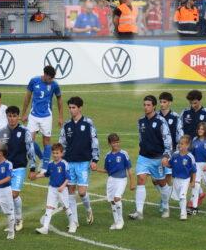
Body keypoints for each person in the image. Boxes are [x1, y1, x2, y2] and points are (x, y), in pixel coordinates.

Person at [129, 95, 173, 221]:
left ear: (154, 106)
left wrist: (166, 156)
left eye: (148, 105)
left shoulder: (161, 121)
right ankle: (139, 212)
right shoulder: (140, 121)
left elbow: (168, 141)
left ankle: (165, 206)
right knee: (141, 180)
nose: (146, 107)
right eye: (144, 105)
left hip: (158, 158)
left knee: (162, 182)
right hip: (144, 157)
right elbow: (141, 138)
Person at [0, 105, 39, 232]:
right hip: (5, 169)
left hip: (19, 167)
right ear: (7, 117)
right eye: (9, 116)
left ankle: (19, 219)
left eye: (14, 116)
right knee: (6, 197)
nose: (12, 119)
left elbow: (30, 149)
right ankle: (12, 221)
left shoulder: (25, 131)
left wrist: (32, 167)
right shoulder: (3, 132)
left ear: (18, 117)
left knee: (14, 194)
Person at [58, 96, 99, 224]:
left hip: (83, 162)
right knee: (70, 191)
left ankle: (88, 209)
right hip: (70, 162)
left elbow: (95, 141)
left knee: (81, 193)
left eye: (73, 107)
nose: (71, 110)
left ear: (80, 108)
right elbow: (62, 143)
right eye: (69, 108)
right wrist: (60, 159)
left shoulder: (88, 123)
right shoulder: (66, 125)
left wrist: (95, 160)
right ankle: (74, 221)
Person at [21, 65, 63, 167]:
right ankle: (42, 158)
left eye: (52, 78)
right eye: (50, 78)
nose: (51, 80)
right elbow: (27, 97)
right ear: (45, 74)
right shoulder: (34, 81)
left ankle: (45, 166)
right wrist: (23, 113)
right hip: (34, 115)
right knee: (29, 141)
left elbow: (59, 99)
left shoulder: (54, 85)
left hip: (47, 116)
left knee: (47, 141)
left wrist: (60, 116)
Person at [33, 144, 76, 235]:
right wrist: (36, 176)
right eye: (53, 153)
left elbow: (68, 178)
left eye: (57, 153)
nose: (55, 155)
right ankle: (45, 228)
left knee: (66, 207)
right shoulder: (51, 164)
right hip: (52, 189)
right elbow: (46, 174)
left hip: (62, 189)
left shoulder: (64, 164)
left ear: (61, 153)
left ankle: (73, 224)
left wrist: (63, 186)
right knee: (49, 207)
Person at [97, 133, 134, 230]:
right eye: (114, 143)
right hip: (111, 180)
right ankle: (116, 221)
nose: (116, 144)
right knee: (112, 201)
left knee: (117, 198)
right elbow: (107, 170)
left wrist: (132, 182)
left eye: (117, 142)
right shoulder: (107, 156)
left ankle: (121, 221)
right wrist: (96, 169)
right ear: (110, 144)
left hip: (122, 180)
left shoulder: (123, 154)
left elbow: (129, 169)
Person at [158, 92, 181, 209]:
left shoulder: (176, 117)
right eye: (161, 102)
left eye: (164, 102)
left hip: (170, 152)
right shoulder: (156, 116)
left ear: (170, 103)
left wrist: (177, 151)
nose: (162, 104)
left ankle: (164, 202)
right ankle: (165, 198)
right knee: (156, 179)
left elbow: (179, 135)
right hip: (157, 152)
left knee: (166, 178)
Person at [168, 136, 197, 220]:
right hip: (176, 179)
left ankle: (183, 214)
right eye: (179, 143)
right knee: (178, 197)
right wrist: (165, 163)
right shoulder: (175, 155)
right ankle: (182, 210)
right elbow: (170, 164)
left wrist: (193, 181)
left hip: (185, 179)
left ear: (187, 145)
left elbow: (194, 170)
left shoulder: (190, 157)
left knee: (182, 196)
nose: (179, 145)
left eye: (182, 144)